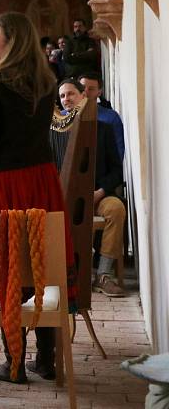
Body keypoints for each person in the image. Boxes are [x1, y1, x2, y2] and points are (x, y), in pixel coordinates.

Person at [0, 11, 76, 384]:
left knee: (5, 268)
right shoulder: (46, 82)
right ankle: (46, 359)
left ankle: (14, 361)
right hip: (41, 181)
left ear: (11, 41)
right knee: (42, 261)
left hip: (5, 184)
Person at [55, 79, 126, 297]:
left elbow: (116, 169)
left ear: (83, 97)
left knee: (116, 209)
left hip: (98, 195)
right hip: (64, 198)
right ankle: (61, 274)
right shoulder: (55, 132)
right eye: (63, 96)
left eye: (71, 94)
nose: (67, 99)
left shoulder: (103, 130)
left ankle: (103, 275)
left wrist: (100, 192)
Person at [79, 73, 125, 161]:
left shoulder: (111, 117)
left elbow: (118, 154)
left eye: (91, 89)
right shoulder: (65, 116)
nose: (86, 92)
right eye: (82, 87)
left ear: (99, 92)